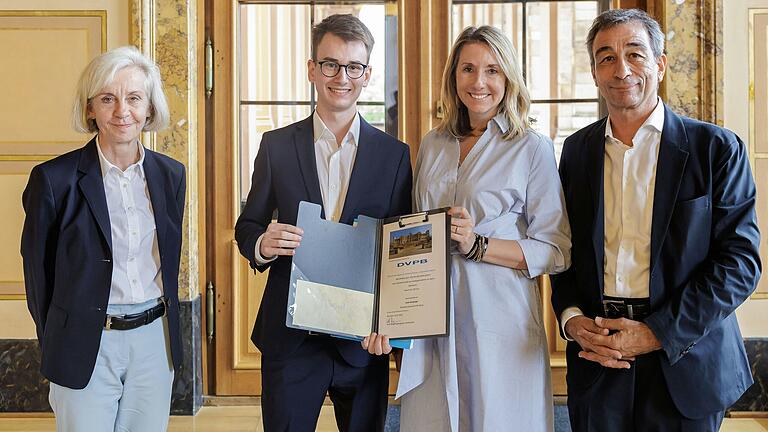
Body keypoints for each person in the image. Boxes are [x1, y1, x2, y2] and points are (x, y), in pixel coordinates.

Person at [551, 8, 761, 432]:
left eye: (635, 54)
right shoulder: (576, 151)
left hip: (686, 357)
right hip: (600, 357)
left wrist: (656, 332)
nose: (621, 69)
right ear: (594, 72)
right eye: (606, 57)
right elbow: (563, 249)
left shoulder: (716, 149)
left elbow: (740, 263)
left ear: (661, 64)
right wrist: (571, 319)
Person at [365, 26, 571, 431]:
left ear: (508, 77)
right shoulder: (432, 144)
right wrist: (393, 320)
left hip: (499, 320)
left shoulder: (531, 147)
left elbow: (556, 249)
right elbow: (408, 239)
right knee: (433, 419)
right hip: (431, 318)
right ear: (453, 77)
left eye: (493, 70)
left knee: (498, 419)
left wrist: (479, 245)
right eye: (468, 69)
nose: (479, 82)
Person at [234, 14, 412, 432]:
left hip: (363, 343)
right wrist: (262, 243)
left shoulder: (394, 155)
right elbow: (248, 225)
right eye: (330, 64)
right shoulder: (276, 146)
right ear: (312, 69)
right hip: (291, 340)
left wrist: (392, 324)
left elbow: (400, 251)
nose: (341, 77)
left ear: (367, 74)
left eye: (353, 67)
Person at [20, 45, 186, 431]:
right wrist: (59, 341)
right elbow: (37, 277)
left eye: (133, 98)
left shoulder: (171, 176)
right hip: (84, 341)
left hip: (153, 342)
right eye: (107, 99)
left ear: (149, 108)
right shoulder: (53, 180)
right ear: (90, 108)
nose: (121, 111)